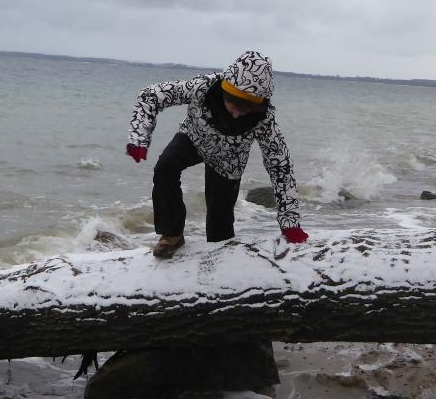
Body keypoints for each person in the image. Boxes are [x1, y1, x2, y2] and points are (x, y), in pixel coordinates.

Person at [126, 50, 309, 257]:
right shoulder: (202, 87)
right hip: (194, 137)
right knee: (165, 168)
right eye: (235, 104)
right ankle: (172, 235)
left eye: (247, 109)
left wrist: (290, 223)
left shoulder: (264, 120)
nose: (237, 113)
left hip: (229, 160)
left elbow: (280, 167)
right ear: (225, 92)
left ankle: (220, 261)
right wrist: (139, 137)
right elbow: (151, 95)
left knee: (219, 226)